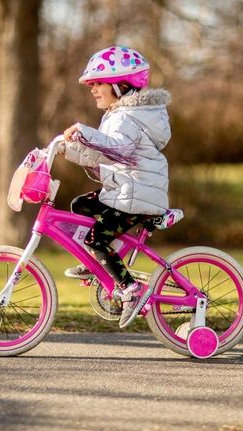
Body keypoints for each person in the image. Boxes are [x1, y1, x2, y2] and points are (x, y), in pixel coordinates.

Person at [60, 46, 172, 328]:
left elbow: (116, 148)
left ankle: (130, 290)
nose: (93, 90)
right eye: (92, 85)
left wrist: (83, 132)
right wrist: (68, 149)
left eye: (98, 83)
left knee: (96, 238)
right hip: (128, 191)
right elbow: (104, 155)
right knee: (81, 207)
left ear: (121, 85)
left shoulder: (126, 118)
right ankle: (102, 262)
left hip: (138, 195)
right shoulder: (119, 114)